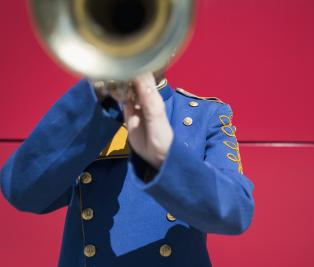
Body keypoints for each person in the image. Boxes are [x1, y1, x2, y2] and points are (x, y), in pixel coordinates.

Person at [0, 71, 255, 267]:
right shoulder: (87, 113)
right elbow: (22, 189)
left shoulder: (206, 115)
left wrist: (163, 155)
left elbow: (235, 212)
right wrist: (101, 96)